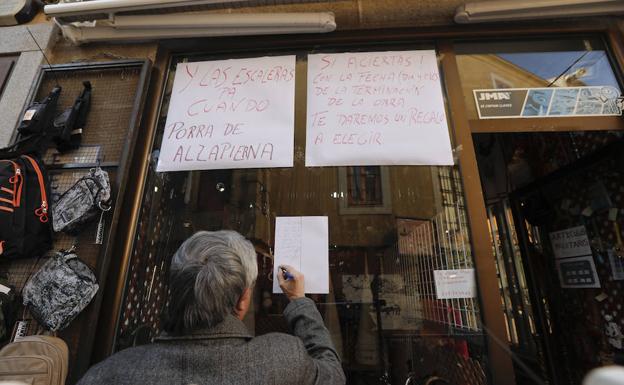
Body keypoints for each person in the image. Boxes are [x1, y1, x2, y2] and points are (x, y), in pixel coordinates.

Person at [77, 230, 346, 385]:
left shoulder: (108, 375)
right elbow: (333, 374)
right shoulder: (283, 360)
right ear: (243, 299)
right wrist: (299, 302)